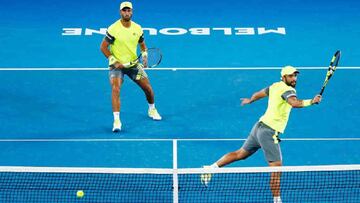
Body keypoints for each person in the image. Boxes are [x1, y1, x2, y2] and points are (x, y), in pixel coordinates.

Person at [201, 66, 322, 203]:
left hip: (258, 127)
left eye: (295, 76)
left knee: (240, 154)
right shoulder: (288, 90)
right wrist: (311, 101)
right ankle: (277, 201)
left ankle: (210, 168)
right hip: (268, 133)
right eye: (290, 76)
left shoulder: (275, 86)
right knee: (276, 169)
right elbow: (294, 103)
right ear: (283, 77)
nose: (294, 79)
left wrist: (250, 100)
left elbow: (259, 93)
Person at [100, 1, 162, 132]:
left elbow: (143, 46)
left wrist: (144, 57)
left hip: (133, 64)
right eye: (124, 10)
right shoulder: (113, 29)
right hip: (116, 66)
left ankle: (152, 109)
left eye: (129, 10)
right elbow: (103, 47)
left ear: (132, 12)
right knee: (115, 88)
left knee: (148, 89)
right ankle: (117, 120)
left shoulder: (138, 28)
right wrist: (114, 60)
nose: (127, 13)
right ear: (120, 12)